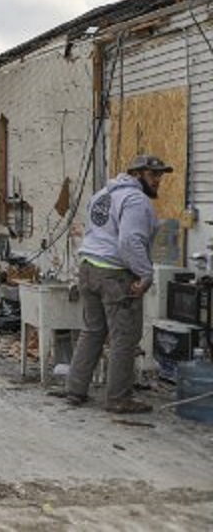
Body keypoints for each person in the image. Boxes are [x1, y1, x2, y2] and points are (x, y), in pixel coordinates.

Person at [63, 153, 173, 414]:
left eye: (160, 175)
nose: (158, 180)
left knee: (93, 331)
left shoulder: (102, 194)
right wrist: (145, 275)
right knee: (124, 337)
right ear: (136, 175)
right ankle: (118, 398)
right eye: (152, 174)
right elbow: (129, 242)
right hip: (114, 275)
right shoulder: (136, 200)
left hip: (89, 270)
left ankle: (75, 390)